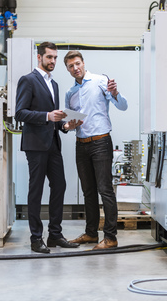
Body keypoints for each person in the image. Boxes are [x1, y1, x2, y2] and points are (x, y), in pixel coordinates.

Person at [15, 42, 81, 254]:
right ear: (39, 57)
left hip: (53, 143)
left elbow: (55, 117)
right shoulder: (28, 80)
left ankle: (54, 234)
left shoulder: (54, 85)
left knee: (59, 185)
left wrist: (65, 125)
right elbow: (20, 113)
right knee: (36, 190)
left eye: (55, 58)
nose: (53, 61)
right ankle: (36, 238)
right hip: (35, 145)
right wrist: (46, 116)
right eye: (49, 57)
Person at [64, 50, 128, 250]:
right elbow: (68, 122)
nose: (75, 68)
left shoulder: (101, 81)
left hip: (101, 143)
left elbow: (123, 107)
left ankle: (111, 237)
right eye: (71, 66)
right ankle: (91, 234)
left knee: (105, 190)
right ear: (68, 70)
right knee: (88, 191)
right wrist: (68, 126)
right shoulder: (70, 94)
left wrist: (116, 93)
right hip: (81, 144)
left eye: (77, 64)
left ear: (83, 63)